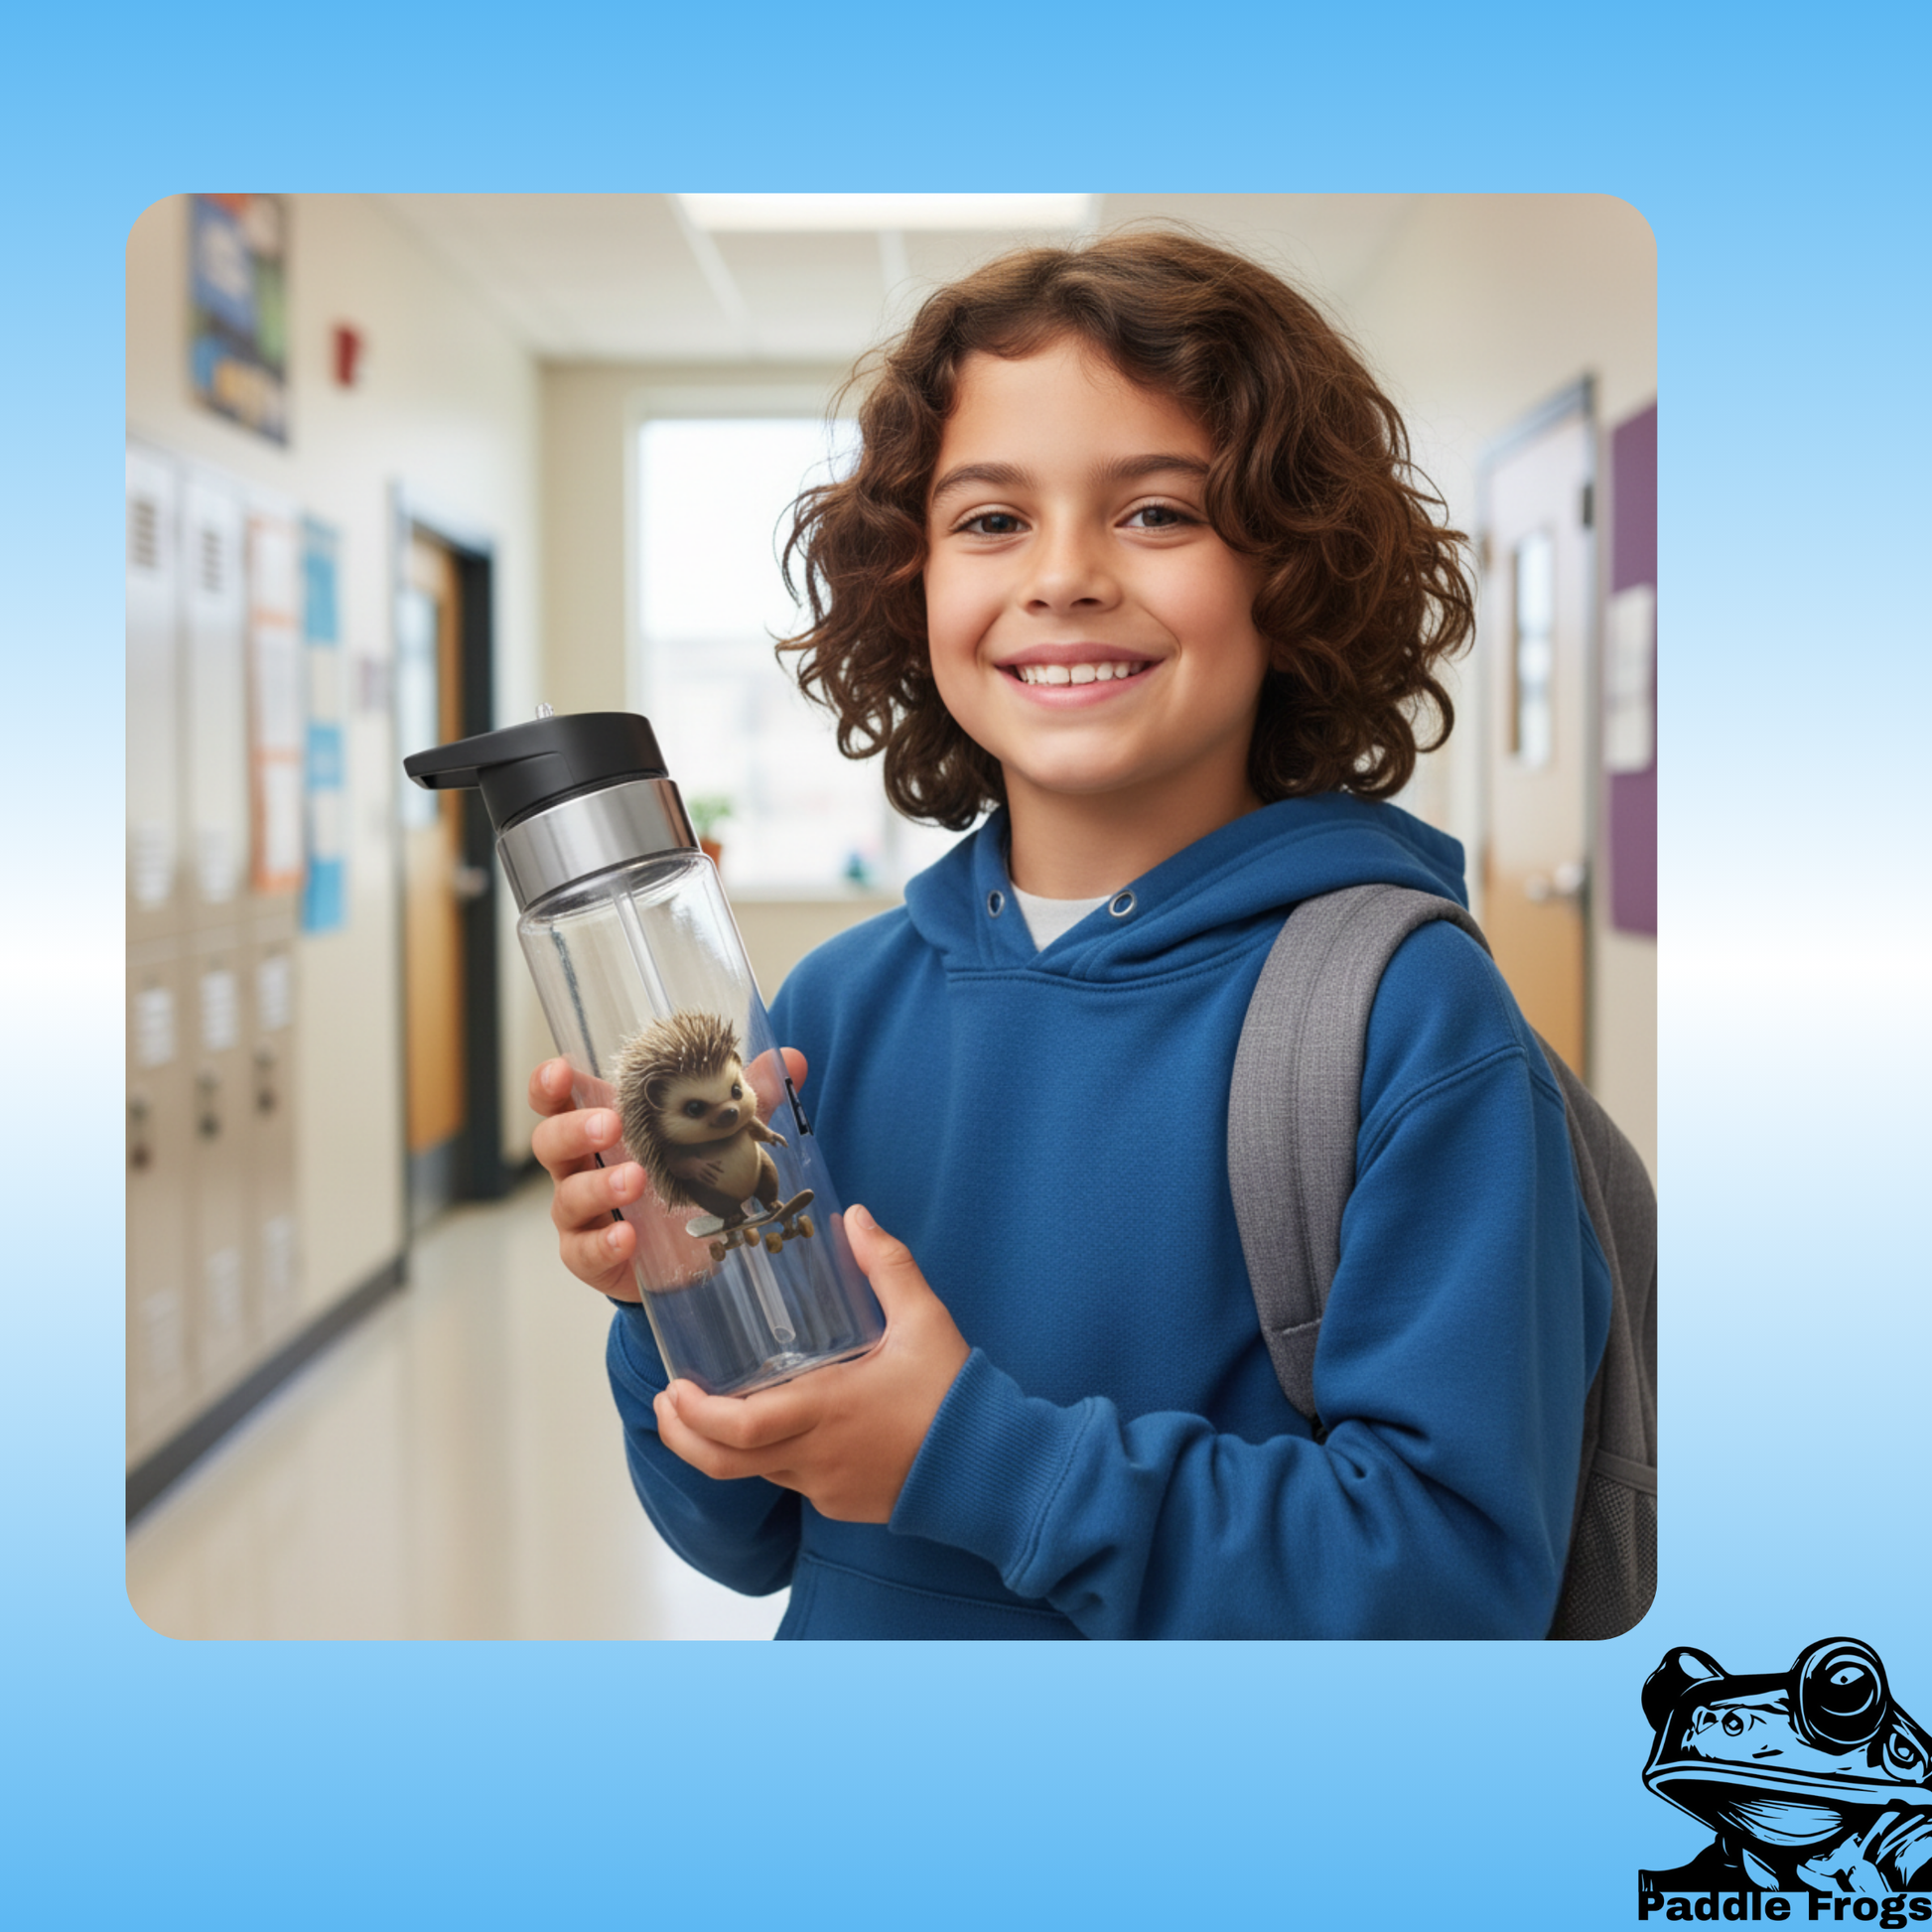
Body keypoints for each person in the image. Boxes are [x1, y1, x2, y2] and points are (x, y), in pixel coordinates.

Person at [531, 230, 1612, 1639]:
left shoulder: (1401, 1016)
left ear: (1287, 569)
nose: (1065, 576)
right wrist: (673, 1301)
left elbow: (1455, 1587)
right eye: (990, 520)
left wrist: (972, 1461)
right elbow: (740, 1533)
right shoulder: (835, 1010)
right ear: (908, 587)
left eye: (1156, 512)